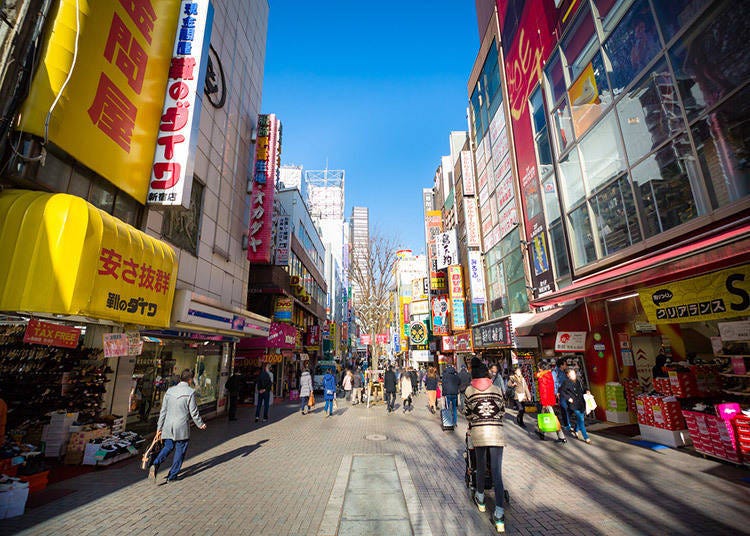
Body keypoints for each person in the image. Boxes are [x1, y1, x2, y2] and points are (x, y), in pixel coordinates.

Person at [465, 357, 506, 533]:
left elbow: (468, 413)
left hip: (479, 432)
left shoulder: (469, 390)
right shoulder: (496, 389)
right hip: (496, 432)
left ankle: (480, 498)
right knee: (497, 472)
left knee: (480, 467)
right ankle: (499, 514)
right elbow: (502, 410)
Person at [149, 369, 207, 484]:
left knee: (168, 447)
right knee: (180, 450)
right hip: (181, 427)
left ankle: (155, 463)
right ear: (190, 380)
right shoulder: (190, 392)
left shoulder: (170, 391)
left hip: (168, 426)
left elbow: (163, 411)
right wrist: (200, 424)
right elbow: (193, 412)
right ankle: (172, 475)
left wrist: (159, 428)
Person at [536, 362, 566, 443]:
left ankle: (562, 437)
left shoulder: (542, 377)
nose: (538, 369)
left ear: (542, 368)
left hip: (546, 402)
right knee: (542, 416)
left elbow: (543, 391)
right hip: (549, 399)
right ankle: (541, 432)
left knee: (553, 418)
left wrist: (544, 403)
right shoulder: (549, 375)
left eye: (539, 367)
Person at [560, 368, 591, 444]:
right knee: (581, 419)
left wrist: (587, 390)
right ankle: (586, 437)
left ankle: (576, 429)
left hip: (581, 403)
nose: (574, 375)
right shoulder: (566, 382)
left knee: (581, 418)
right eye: (572, 374)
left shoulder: (578, 381)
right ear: (568, 375)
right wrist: (568, 398)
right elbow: (562, 392)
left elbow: (584, 387)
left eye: (574, 373)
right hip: (574, 404)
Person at [553, 358, 570, 431]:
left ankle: (567, 422)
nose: (566, 366)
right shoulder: (556, 372)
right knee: (564, 408)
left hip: (567, 391)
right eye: (565, 364)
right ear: (561, 365)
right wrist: (556, 392)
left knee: (569, 407)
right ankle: (567, 424)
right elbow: (555, 382)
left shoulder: (564, 372)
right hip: (561, 391)